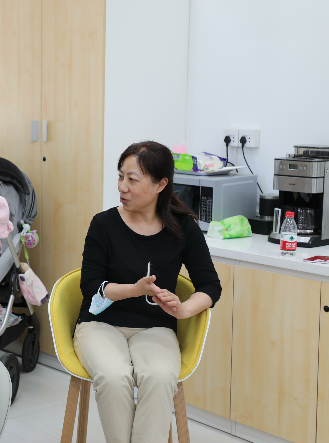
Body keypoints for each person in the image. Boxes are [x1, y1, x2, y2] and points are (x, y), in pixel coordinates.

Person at [74, 141, 222, 443]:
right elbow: (90, 287)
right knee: (113, 377)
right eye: (120, 177)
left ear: (160, 184)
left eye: (132, 179)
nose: (122, 187)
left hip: (155, 327)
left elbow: (210, 286)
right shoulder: (103, 224)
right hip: (100, 324)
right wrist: (134, 289)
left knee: (159, 377)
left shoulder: (183, 227)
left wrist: (183, 309)